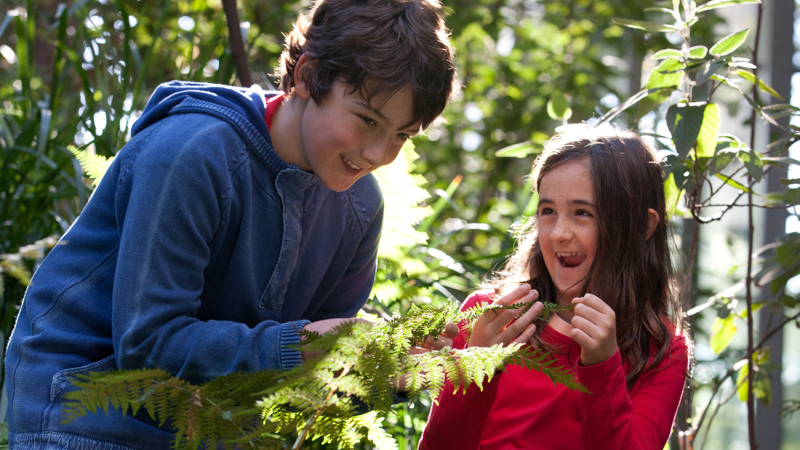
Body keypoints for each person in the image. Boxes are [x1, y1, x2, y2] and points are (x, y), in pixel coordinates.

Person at [5, 0, 458, 447]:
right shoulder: (190, 152)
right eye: (367, 119)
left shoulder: (360, 208)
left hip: (211, 429)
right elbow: (147, 342)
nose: (379, 154)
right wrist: (298, 346)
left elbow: (307, 394)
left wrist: (397, 374)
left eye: (402, 134)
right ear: (306, 76)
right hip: (82, 415)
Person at [419, 125, 692, 450]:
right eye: (548, 211)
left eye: (582, 213)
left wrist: (603, 366)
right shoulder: (492, 316)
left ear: (641, 227)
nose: (559, 233)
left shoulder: (663, 349)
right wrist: (477, 366)